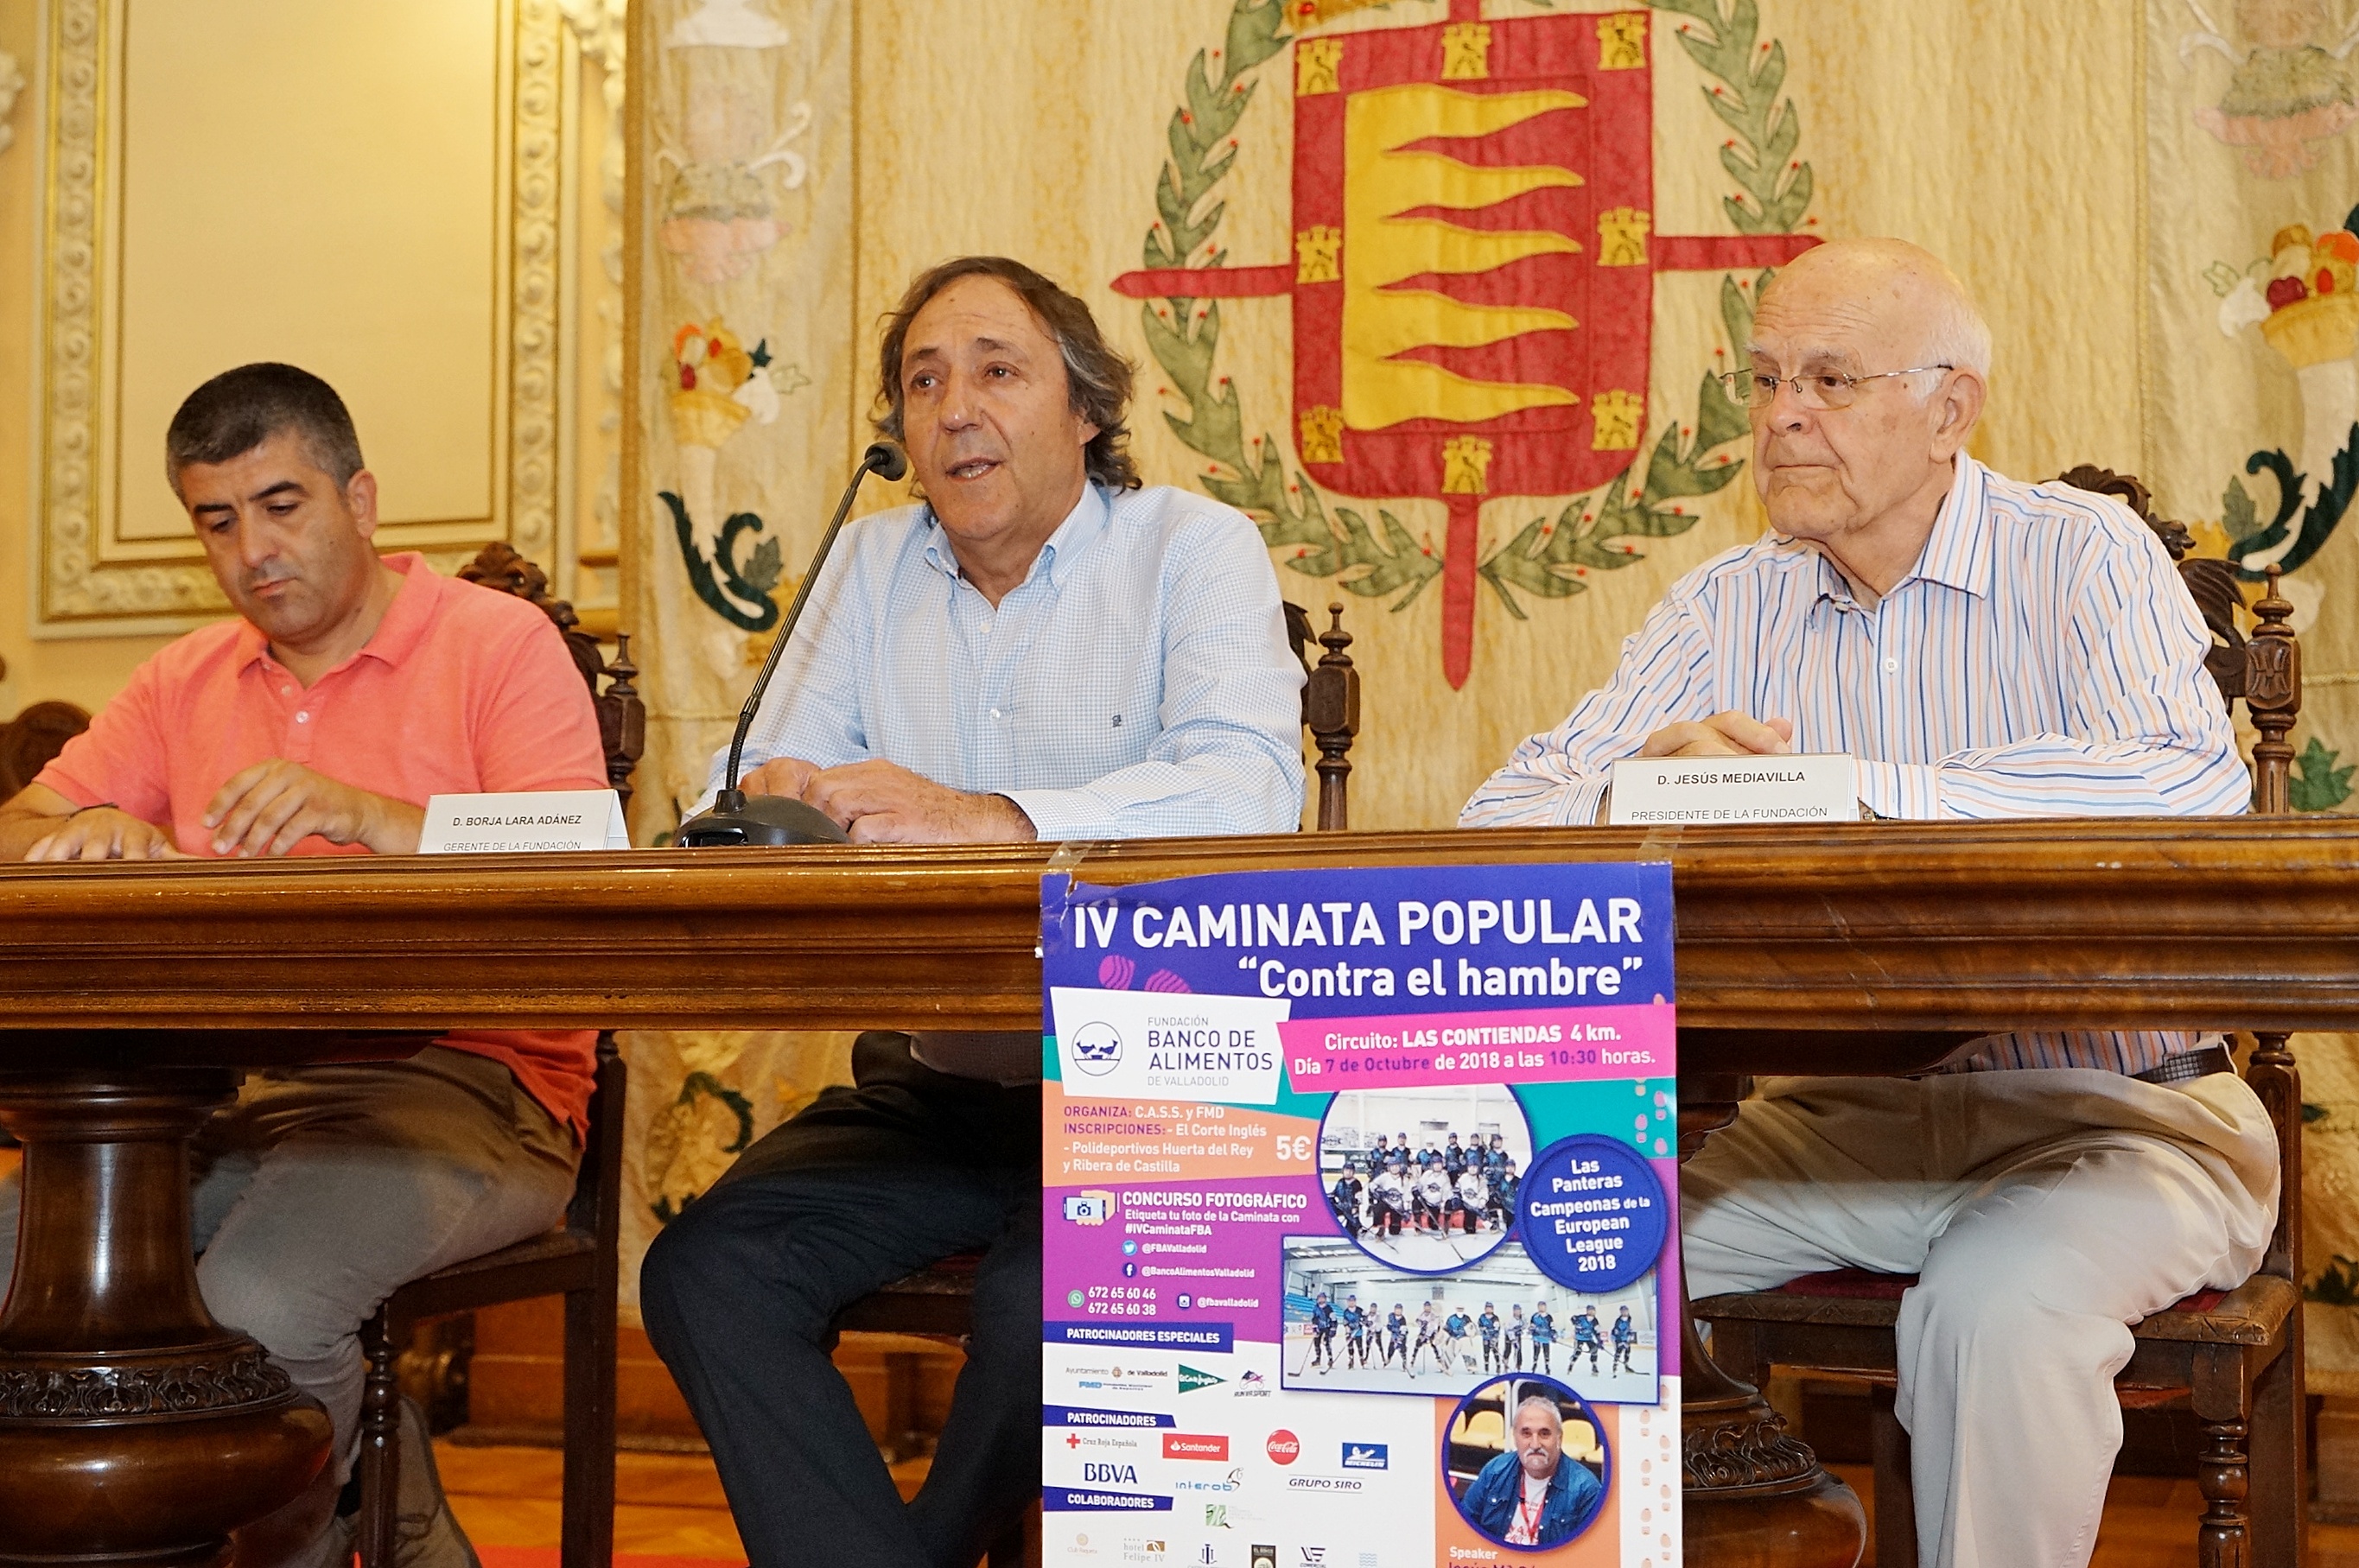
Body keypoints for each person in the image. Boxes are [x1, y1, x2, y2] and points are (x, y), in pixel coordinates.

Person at [1460, 238, 2277, 1568]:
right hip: (1840, 1126)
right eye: (1765, 378)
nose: (1782, 415)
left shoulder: (2081, 554)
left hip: (2126, 1117)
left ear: (1949, 407)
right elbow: (1495, 821)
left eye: (1830, 379)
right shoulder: (1724, 603)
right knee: (1544, 1243)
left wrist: (1846, 790)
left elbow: (2184, 779)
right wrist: (1635, 788)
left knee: (1995, 1303)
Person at [637, 257, 1307, 1568]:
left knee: (1052, 1309)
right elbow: (754, 769)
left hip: (1160, 1092)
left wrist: (992, 815)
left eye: (997, 371)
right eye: (923, 381)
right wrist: (775, 792)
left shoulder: (1191, 547)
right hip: (936, 1087)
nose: (954, 409)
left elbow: (1247, 791)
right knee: (706, 1271)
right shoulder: (867, 561)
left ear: (1088, 409)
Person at [0, 363, 608, 1568]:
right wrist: (88, 826)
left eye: (281, 505)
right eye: (217, 521)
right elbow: (19, 827)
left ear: (359, 499)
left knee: (260, 1309)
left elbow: (582, 857)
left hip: (478, 1086)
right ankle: (390, 1511)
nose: (253, 551)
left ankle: (294, 1546)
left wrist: (374, 816)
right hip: (229, 1094)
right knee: (19, 1273)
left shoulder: (495, 642)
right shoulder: (184, 677)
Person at [1458, 1395, 1604, 1548]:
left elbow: (1590, 1552)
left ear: (1559, 1438)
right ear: (1515, 1437)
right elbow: (1463, 1527)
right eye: (1526, 1433)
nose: (1535, 1444)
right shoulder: (1495, 1470)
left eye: (1544, 1434)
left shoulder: (1585, 1488)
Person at [1308, 1291, 1338, 1372]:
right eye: (1320, 1298)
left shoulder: (1329, 1308)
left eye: (1323, 1298)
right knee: (1316, 1342)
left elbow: (1334, 1319)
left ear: (1325, 1299)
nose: (1321, 1299)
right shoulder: (1315, 1308)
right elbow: (1314, 1319)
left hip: (1327, 1328)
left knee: (1327, 1342)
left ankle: (1330, 1359)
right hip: (1319, 1328)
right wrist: (1315, 1328)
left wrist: (1333, 1328)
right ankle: (1318, 1359)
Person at [1571, 1305, 1603, 1374]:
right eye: (1590, 1310)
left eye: (1593, 1310)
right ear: (1587, 1311)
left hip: (1589, 1338)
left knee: (1594, 1350)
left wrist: (1600, 1341)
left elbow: (1597, 1332)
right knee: (1578, 1352)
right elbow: (1573, 1318)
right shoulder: (1581, 1317)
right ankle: (1571, 1364)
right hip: (1579, 1338)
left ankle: (1594, 1366)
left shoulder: (1595, 1321)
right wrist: (1575, 1322)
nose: (1591, 1312)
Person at [1342, 1293, 1370, 1369]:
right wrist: (1347, 1329)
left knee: (1360, 1346)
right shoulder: (1346, 1312)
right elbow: (1345, 1322)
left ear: (1355, 1301)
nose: (1351, 1302)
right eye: (1350, 1301)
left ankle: (1361, 1359)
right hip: (1350, 1332)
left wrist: (1364, 1322)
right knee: (1350, 1346)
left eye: (1353, 1301)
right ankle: (1351, 1360)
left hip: (1358, 1332)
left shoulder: (1360, 1310)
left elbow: (1365, 1319)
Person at [1529, 1303, 1556, 1374]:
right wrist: (1533, 1332)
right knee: (1536, 1352)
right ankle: (1534, 1364)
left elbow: (1552, 1327)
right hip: (1537, 1338)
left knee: (1546, 1352)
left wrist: (1553, 1335)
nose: (1542, 1308)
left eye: (1543, 1307)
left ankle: (1547, 1366)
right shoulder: (1535, 1316)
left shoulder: (1549, 1317)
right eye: (1540, 1307)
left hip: (1546, 1338)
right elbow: (1532, 1326)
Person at [1611, 1306, 1637, 1374]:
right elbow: (1616, 1331)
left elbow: (1630, 1328)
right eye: (1623, 1311)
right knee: (1618, 1352)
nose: (1625, 1312)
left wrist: (1630, 1334)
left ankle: (1626, 1366)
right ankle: (1615, 1366)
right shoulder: (1618, 1321)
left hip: (1626, 1339)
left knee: (1628, 1352)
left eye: (1626, 1311)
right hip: (1619, 1339)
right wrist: (1620, 1341)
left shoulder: (1629, 1319)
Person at [1385, 1303, 1410, 1370]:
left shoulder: (1403, 1319)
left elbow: (1403, 1330)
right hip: (1394, 1336)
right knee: (1391, 1349)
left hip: (1401, 1337)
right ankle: (1388, 1359)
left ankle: (1404, 1362)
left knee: (1402, 1350)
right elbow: (1389, 1326)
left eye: (1399, 1310)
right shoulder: (1391, 1316)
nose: (1398, 1311)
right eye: (1397, 1309)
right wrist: (1391, 1328)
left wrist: (1401, 1338)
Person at [1504, 1304, 1527, 1371]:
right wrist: (1513, 1339)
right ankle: (1505, 1364)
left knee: (1518, 1351)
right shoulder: (1510, 1320)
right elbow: (1508, 1330)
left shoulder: (1522, 1319)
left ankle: (1518, 1365)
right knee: (1508, 1350)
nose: (1518, 1312)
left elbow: (1525, 1326)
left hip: (1517, 1336)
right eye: (1516, 1310)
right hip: (1509, 1336)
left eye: (1519, 1310)